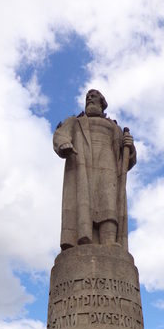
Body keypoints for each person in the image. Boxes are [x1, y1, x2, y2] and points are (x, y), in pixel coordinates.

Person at [53, 89, 136, 250]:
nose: (89, 98)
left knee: (108, 200)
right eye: (87, 97)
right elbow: (60, 134)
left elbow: (127, 159)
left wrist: (129, 146)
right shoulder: (75, 121)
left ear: (102, 103)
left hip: (108, 165)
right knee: (83, 202)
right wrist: (64, 144)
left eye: (94, 96)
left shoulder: (114, 127)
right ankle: (82, 238)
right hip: (81, 164)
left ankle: (109, 240)